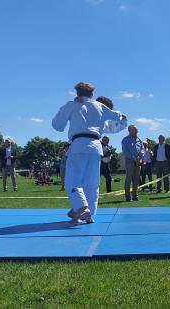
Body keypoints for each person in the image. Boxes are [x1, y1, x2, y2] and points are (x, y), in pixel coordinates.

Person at [52, 82, 125, 223]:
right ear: (92, 94)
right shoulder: (100, 107)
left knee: (72, 181)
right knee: (91, 183)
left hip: (79, 146)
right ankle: (89, 214)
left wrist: (70, 108)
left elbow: (57, 125)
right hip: (96, 148)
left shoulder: (72, 104)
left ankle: (81, 207)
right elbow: (118, 116)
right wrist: (122, 116)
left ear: (77, 93)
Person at [121, 125, 144, 202]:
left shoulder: (139, 140)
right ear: (129, 131)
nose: (137, 132)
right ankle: (128, 197)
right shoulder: (125, 140)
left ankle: (135, 196)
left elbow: (142, 149)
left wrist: (140, 157)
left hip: (138, 162)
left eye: (137, 130)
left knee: (136, 180)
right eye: (135, 130)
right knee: (128, 179)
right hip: (130, 161)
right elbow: (125, 151)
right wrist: (134, 158)